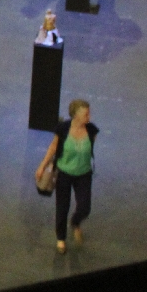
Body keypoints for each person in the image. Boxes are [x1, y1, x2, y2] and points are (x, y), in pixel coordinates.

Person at [35, 99, 100, 253]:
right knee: (62, 207)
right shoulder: (63, 129)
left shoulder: (92, 131)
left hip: (84, 174)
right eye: (86, 114)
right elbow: (53, 148)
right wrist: (42, 166)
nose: (89, 117)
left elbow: (90, 149)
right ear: (75, 115)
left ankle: (75, 221)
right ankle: (61, 239)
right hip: (64, 173)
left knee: (84, 207)